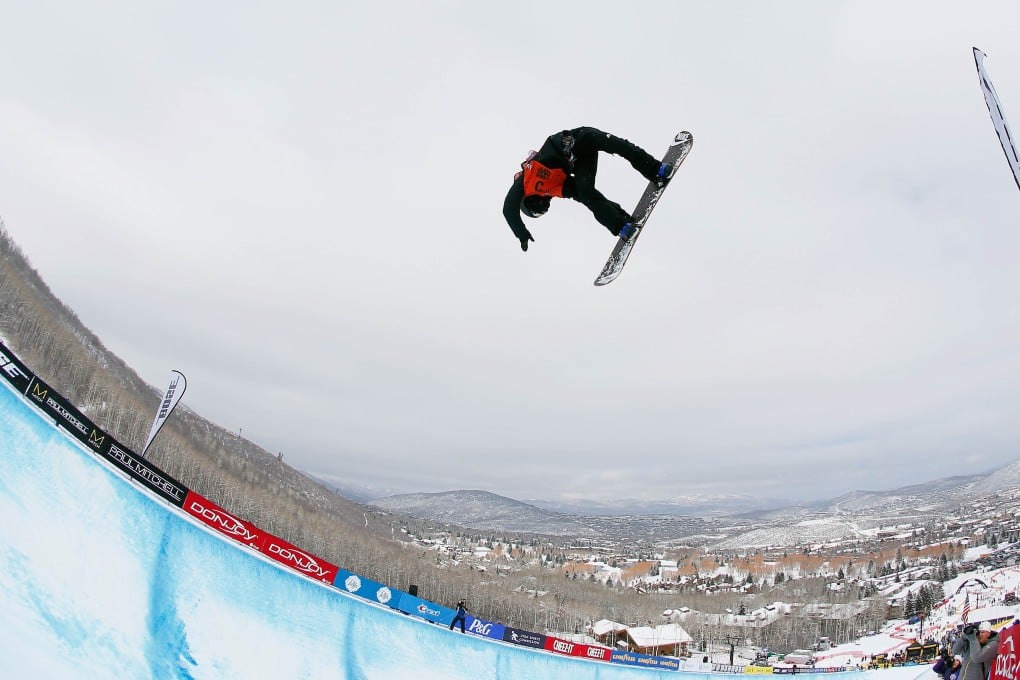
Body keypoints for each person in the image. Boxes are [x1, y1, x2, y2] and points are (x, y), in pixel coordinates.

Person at [502, 126, 675, 251]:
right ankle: (621, 225)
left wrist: (521, 233)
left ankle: (656, 169)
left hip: (578, 138)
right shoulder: (555, 189)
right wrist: (620, 217)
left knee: (619, 146)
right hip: (581, 160)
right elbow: (590, 198)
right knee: (586, 193)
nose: (545, 208)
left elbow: (508, 209)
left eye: (539, 211)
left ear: (529, 203)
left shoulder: (524, 182)